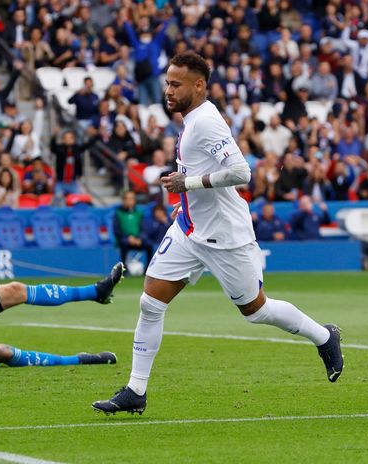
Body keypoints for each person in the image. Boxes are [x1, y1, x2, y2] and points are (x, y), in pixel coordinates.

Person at [92, 52, 343, 415]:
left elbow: (242, 172)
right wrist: (188, 198)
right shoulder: (191, 120)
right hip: (189, 229)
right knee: (150, 302)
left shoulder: (207, 121)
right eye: (167, 83)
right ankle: (136, 390)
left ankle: (324, 336)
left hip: (224, 236)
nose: (168, 90)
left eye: (176, 84)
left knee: (256, 311)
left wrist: (187, 183)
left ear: (199, 85)